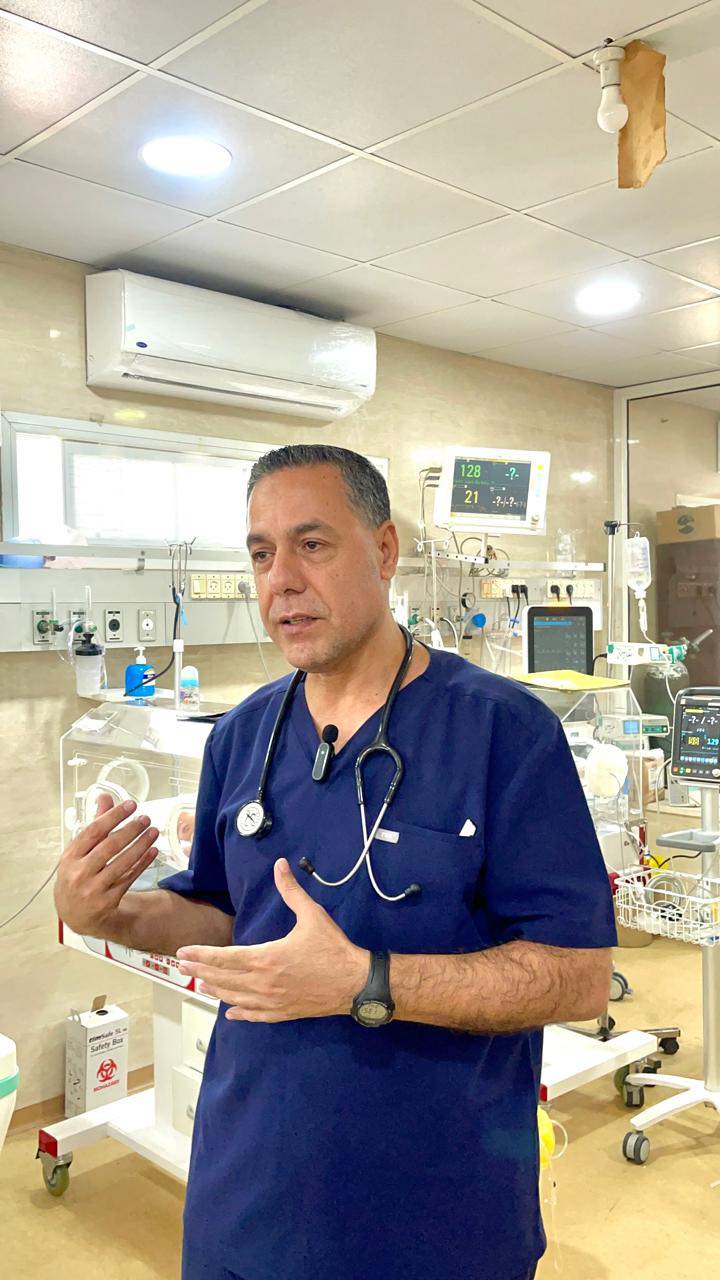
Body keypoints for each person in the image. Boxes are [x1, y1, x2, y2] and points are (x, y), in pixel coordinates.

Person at [55, 444, 616, 1280]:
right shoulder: (243, 736)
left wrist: (365, 981)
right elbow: (221, 912)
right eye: (260, 554)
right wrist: (109, 914)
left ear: (384, 551)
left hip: (435, 1220)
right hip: (244, 1200)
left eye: (311, 545)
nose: (280, 580)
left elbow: (578, 978)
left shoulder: (503, 733)